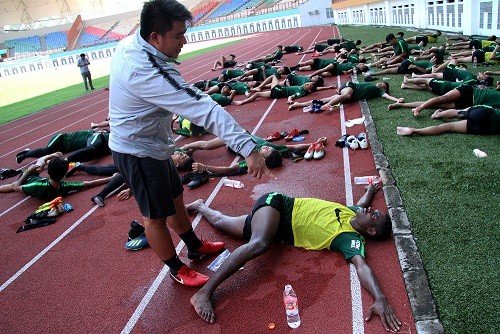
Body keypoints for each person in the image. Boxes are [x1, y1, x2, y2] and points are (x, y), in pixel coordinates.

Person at [108, 0, 270, 287]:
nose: (184, 40)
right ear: (155, 37)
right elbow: (203, 108)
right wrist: (249, 148)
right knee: (154, 217)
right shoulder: (142, 70)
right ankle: (176, 268)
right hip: (137, 150)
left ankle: (193, 245)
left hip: (153, 144)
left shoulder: (137, 44)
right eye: (178, 35)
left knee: (175, 199)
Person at [187, 184, 401, 332]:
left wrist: (380, 298)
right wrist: (370, 191)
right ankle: (204, 293)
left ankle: (200, 206)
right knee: (260, 243)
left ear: (370, 231)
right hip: (279, 205)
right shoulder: (352, 212)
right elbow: (362, 202)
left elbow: (362, 266)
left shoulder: (349, 238)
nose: (370, 210)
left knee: (221, 223)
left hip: (277, 230)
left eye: (374, 215)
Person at [0, 153, 113, 200]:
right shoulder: (65, 186)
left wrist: (28, 171)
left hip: (28, 178)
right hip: (36, 180)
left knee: (14, 184)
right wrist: (111, 178)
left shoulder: (36, 185)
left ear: (48, 172)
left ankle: (50, 156)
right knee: (39, 165)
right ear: (64, 175)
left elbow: (16, 187)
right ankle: (51, 156)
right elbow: (89, 183)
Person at [388, 85, 500, 115]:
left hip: (470, 103)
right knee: (442, 99)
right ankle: (420, 108)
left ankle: (401, 105)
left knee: (436, 105)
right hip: (470, 91)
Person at [289, 81, 402, 111]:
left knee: (322, 100)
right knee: (347, 96)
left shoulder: (379, 92)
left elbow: (387, 97)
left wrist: (397, 100)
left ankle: (299, 104)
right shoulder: (372, 84)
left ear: (384, 87)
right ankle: (328, 105)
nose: (380, 83)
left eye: (383, 84)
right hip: (349, 87)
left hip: (348, 95)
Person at [15, 129, 110, 164]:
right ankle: (25, 154)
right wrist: (66, 160)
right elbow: (89, 149)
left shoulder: (97, 138)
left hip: (65, 148)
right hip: (61, 139)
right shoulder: (94, 135)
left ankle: (27, 153)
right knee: (47, 150)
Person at [396, 105, 500, 136]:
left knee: (459, 112)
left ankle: (438, 115)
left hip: (487, 113)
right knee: (447, 127)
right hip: (488, 128)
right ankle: (413, 130)